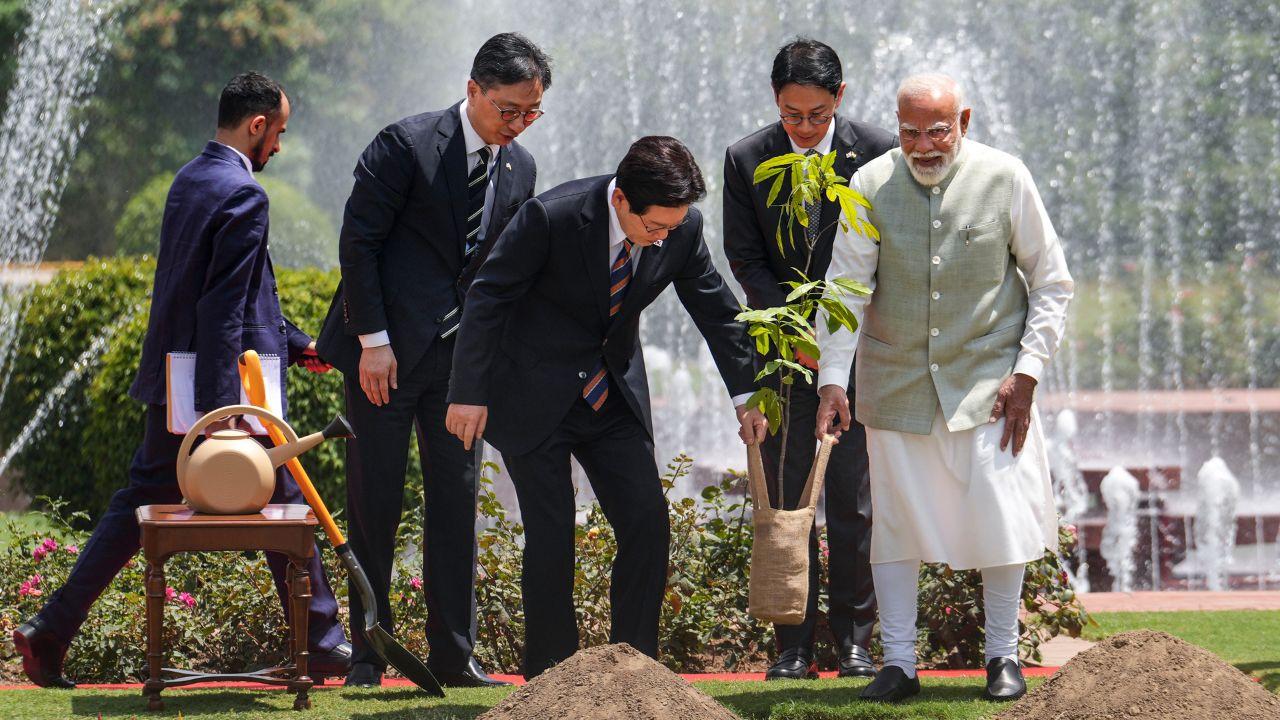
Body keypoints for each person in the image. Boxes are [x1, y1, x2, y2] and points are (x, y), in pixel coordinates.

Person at [14, 72, 350, 688]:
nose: (279, 146)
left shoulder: (191, 178)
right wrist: (223, 421)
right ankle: (325, 642)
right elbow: (220, 313)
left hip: (175, 381)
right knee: (286, 499)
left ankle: (50, 630)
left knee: (139, 509)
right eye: (278, 132)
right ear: (256, 126)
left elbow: (218, 293)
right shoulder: (246, 195)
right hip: (217, 396)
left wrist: (297, 341)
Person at [445, 136, 769, 679]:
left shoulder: (681, 229)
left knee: (647, 522)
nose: (663, 237)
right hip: (533, 394)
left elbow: (717, 311)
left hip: (611, 396)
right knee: (551, 534)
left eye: (672, 226)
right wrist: (468, 391)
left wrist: (746, 396)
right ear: (622, 200)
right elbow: (487, 297)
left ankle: (633, 671)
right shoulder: (550, 217)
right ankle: (552, 678)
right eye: (654, 228)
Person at [815, 73, 1073, 703]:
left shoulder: (1006, 177)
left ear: (965, 121)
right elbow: (846, 288)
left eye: (937, 130)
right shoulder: (869, 183)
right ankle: (899, 664)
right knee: (895, 525)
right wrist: (830, 380)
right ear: (895, 125)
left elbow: (1051, 282)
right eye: (910, 131)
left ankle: (1002, 656)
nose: (923, 145)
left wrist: (1030, 370)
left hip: (991, 383)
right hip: (896, 378)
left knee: (999, 514)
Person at [314, 33, 549, 688]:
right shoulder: (406, 145)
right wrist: (374, 343)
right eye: (509, 109)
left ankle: (454, 654)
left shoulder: (521, 168)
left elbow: (503, 278)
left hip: (459, 373)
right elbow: (358, 244)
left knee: (457, 502)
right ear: (473, 90)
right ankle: (367, 655)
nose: (519, 124)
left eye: (531, 112)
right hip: (383, 360)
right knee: (374, 502)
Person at [722, 37, 896, 681]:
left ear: (840, 98)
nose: (802, 128)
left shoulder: (878, 151)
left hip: (857, 351)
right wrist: (794, 330)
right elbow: (744, 257)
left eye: (816, 115)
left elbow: (885, 251)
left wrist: (839, 338)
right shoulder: (747, 158)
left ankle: (855, 640)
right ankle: (792, 644)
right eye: (792, 114)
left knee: (851, 501)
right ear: (776, 101)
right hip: (783, 353)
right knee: (790, 499)